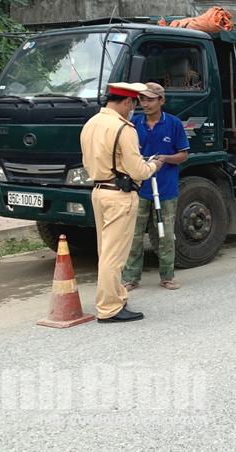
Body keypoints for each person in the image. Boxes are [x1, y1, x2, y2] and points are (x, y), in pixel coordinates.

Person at [80, 83, 161, 323]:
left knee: (105, 251)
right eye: (133, 105)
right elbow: (138, 170)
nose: (133, 110)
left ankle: (116, 296)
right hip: (119, 196)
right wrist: (154, 164)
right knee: (114, 256)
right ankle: (109, 308)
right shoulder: (123, 128)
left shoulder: (91, 124)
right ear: (127, 102)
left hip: (99, 191)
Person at [123, 83, 190, 292]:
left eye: (150, 100)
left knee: (165, 235)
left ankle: (167, 276)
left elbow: (183, 154)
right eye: (142, 100)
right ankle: (131, 278)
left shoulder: (173, 123)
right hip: (139, 188)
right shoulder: (133, 124)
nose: (145, 104)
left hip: (166, 188)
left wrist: (165, 158)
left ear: (162, 100)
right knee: (134, 235)